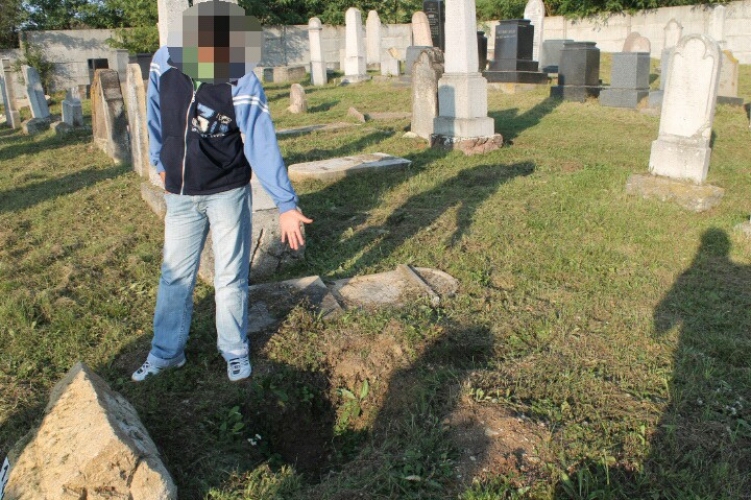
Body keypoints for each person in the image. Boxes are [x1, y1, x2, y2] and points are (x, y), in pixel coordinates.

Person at [132, 0, 311, 382]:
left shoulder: (241, 78)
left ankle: (234, 350)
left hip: (227, 190)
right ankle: (166, 354)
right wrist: (159, 161)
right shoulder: (164, 62)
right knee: (174, 277)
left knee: (230, 277)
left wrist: (285, 203)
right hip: (181, 194)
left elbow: (261, 141)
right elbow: (154, 114)